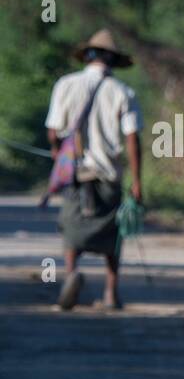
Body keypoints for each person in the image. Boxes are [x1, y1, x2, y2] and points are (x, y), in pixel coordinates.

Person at [45, 29, 143, 310]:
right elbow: (132, 139)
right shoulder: (124, 92)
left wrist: (58, 151)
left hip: (76, 173)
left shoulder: (65, 85)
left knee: (72, 228)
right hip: (108, 174)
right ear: (112, 61)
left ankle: (71, 273)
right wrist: (137, 182)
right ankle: (111, 292)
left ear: (88, 56)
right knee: (113, 234)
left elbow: (53, 131)